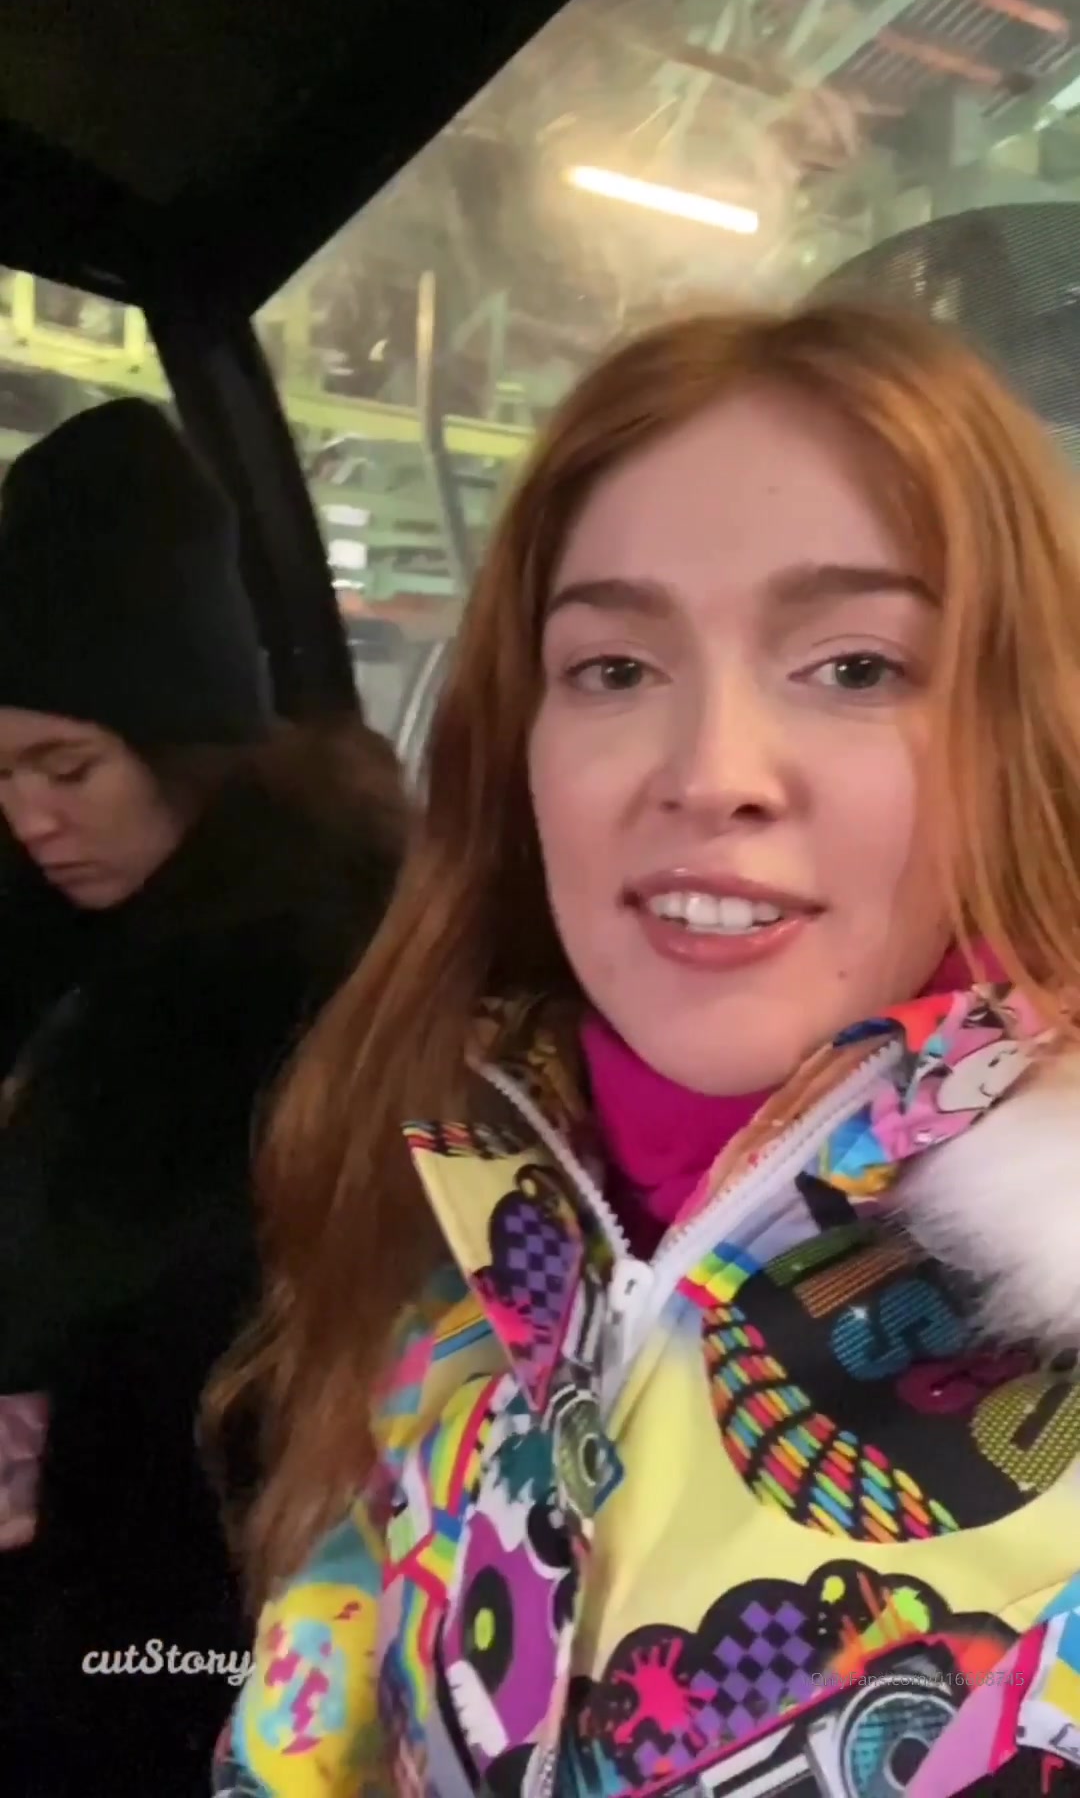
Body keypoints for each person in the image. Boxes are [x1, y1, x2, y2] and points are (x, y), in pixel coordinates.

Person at [212, 302, 1080, 1798]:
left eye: (856, 666)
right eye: (614, 669)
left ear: (1025, 730)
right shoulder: (460, 1226)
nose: (710, 773)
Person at [0, 400, 404, 1795]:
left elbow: (89, 1270)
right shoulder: (85, 936)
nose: (32, 818)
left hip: (207, 1613)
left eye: (68, 767)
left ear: (188, 745)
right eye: (0, 774)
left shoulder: (274, 981)